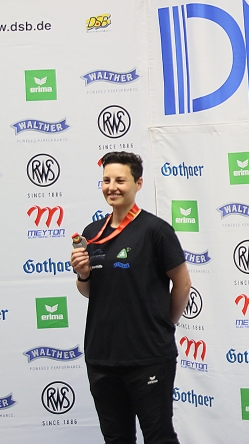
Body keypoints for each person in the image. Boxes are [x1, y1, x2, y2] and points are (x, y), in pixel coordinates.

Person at [71, 151, 192, 444]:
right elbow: (90, 291)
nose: (112, 187)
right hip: (102, 357)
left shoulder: (156, 230)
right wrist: (83, 274)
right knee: (116, 438)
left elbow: (183, 283)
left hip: (148, 356)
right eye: (106, 180)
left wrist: (164, 324)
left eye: (120, 180)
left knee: (159, 436)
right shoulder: (92, 233)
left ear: (138, 184)